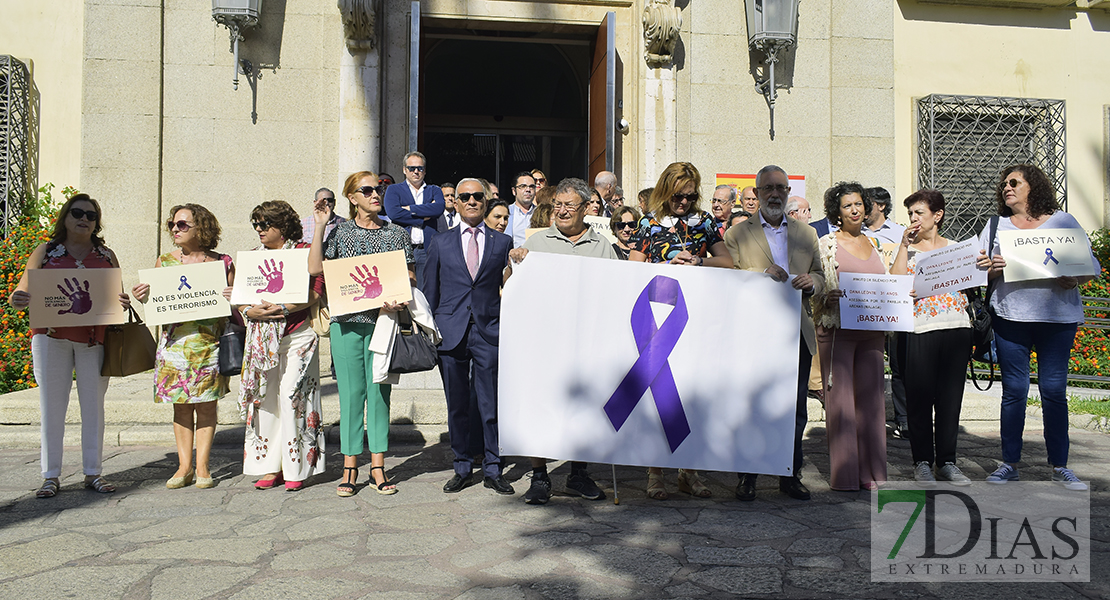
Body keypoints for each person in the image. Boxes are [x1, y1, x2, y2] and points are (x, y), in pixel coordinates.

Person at [977, 164, 1100, 491]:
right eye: (1004, 184)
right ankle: (1009, 464)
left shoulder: (1063, 221)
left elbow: (1091, 265)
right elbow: (975, 273)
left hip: (1057, 321)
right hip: (1010, 319)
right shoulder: (995, 227)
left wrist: (1075, 278)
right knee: (1014, 392)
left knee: (1054, 392)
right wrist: (993, 270)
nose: (1007, 188)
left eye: (1014, 182)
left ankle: (1060, 466)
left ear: (1034, 187)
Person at [9, 193, 132, 498]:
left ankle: (93, 472)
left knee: (94, 408)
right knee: (52, 407)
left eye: (91, 215)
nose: (84, 219)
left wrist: (123, 301)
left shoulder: (106, 255)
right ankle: (50, 475)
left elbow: (117, 295)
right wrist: (18, 299)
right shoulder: (45, 252)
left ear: (97, 222)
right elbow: (23, 290)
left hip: (94, 340)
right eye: (77, 212)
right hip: (51, 338)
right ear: (65, 217)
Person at [509, 178, 616, 504]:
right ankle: (540, 477)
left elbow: (616, 291)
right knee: (541, 406)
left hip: (587, 342)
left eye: (570, 205)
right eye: (557, 204)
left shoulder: (602, 246)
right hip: (545, 342)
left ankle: (578, 474)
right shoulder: (537, 243)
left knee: (583, 410)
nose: (562, 211)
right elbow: (511, 287)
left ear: (586, 208)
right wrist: (515, 263)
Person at [630, 162, 732, 499]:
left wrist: (698, 262)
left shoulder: (703, 221)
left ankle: (689, 471)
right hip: (656, 315)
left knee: (690, 392)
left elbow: (727, 262)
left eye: (690, 196)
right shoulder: (648, 222)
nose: (684, 203)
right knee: (659, 393)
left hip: (694, 316)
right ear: (665, 191)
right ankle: (655, 472)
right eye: (678, 196)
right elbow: (633, 266)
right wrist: (664, 265)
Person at [309, 171, 414, 497]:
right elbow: (315, 269)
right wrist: (320, 226)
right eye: (366, 190)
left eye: (378, 188)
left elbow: (409, 274)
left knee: (380, 395)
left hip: (384, 323)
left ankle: (379, 467)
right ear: (352, 198)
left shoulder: (397, 233)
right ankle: (350, 467)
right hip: (346, 325)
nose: (375, 194)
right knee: (352, 397)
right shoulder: (340, 234)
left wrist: (399, 295)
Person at [726, 165, 823, 502]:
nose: (775, 194)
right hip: (755, 332)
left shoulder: (807, 234)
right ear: (756, 192)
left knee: (795, 409)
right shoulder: (736, 234)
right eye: (768, 188)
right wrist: (760, 273)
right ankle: (747, 477)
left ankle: (789, 475)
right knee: (752, 406)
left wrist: (814, 282)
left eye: (781, 187)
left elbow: (821, 275)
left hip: (796, 331)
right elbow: (730, 277)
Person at [131, 204, 234, 490]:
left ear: (201, 228)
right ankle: (184, 466)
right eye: (173, 224)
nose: (175, 229)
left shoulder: (221, 262)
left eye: (182, 225)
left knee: (207, 408)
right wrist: (144, 296)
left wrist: (233, 295)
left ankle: (202, 466)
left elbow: (236, 307)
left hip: (208, 345)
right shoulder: (163, 262)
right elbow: (156, 305)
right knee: (181, 409)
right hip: (174, 348)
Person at [424, 178, 515, 495]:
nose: (472, 200)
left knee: (491, 405)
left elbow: (515, 287)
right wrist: (431, 332)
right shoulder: (440, 241)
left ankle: (493, 467)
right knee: (458, 406)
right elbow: (429, 293)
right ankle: (462, 466)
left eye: (478, 196)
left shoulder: (503, 243)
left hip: (489, 331)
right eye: (465, 197)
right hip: (450, 333)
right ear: (457, 202)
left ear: (487, 201)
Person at [236, 201, 326, 492]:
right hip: (262, 338)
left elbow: (315, 290)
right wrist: (249, 310)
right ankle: (269, 466)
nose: (259, 230)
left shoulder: (301, 252)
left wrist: (283, 308)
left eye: (265, 224)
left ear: (283, 226)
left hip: (297, 334)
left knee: (291, 397)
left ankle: (296, 467)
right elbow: (240, 296)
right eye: (256, 225)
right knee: (266, 400)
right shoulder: (252, 258)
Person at [889, 190, 972, 486]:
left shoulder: (957, 248)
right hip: (919, 328)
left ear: (937, 216)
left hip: (956, 327)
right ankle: (921, 461)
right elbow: (895, 283)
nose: (913, 219)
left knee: (950, 399)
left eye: (919, 213)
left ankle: (947, 462)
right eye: (910, 214)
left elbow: (972, 282)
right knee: (920, 399)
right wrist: (903, 246)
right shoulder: (905, 249)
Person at [811, 182, 888, 492]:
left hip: (871, 331)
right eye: (847, 206)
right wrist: (824, 297)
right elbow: (814, 285)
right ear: (837, 213)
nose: (855, 210)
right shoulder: (825, 244)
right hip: (836, 331)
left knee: (872, 403)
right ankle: (845, 475)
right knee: (841, 403)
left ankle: (872, 473)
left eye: (858, 204)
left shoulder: (877, 245)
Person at [383, 151, 446, 290]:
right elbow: (394, 213)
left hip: (426, 249)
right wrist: (424, 217)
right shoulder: (394, 190)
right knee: (401, 290)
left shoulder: (434, 189)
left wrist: (410, 208)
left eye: (420, 168)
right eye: (412, 168)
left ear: (425, 171)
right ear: (404, 170)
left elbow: (438, 208)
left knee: (425, 292)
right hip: (402, 249)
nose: (416, 171)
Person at [505, 172, 536, 248]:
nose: (528, 190)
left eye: (531, 186)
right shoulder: (506, 212)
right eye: (523, 186)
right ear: (514, 191)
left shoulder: (541, 213)